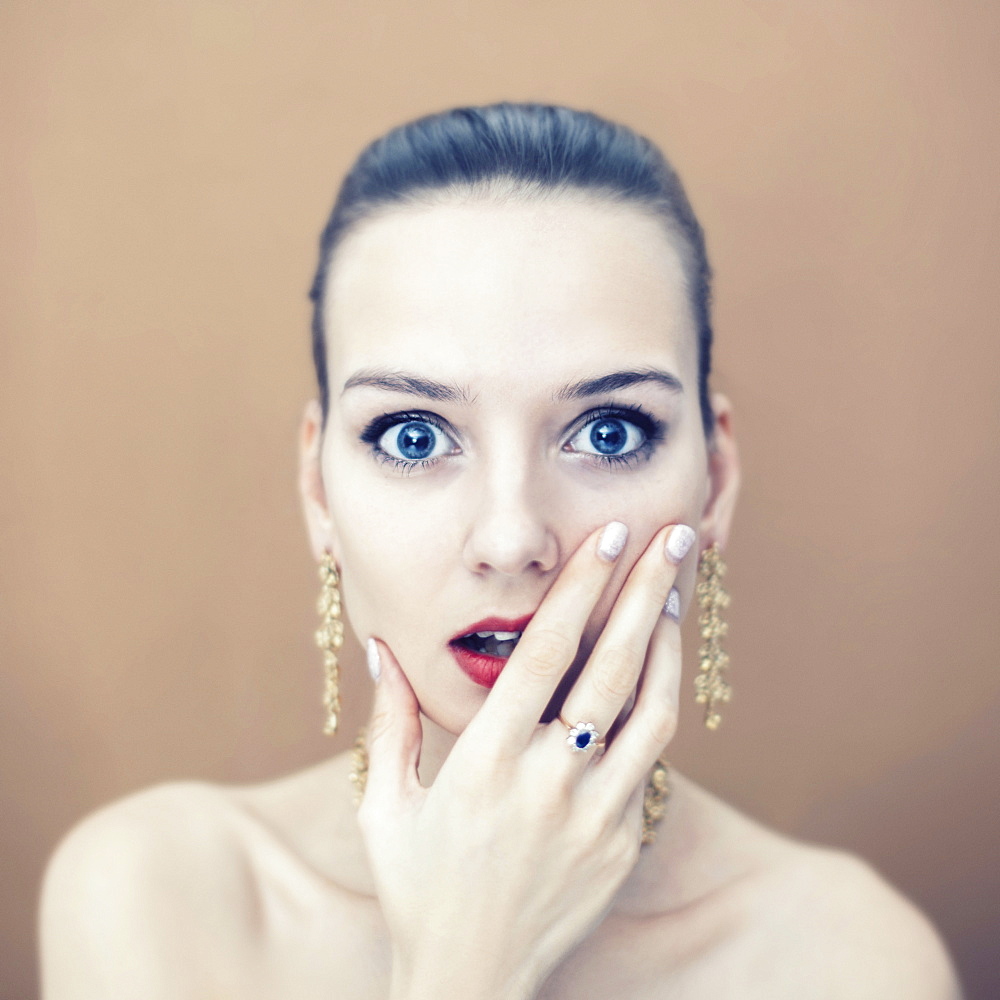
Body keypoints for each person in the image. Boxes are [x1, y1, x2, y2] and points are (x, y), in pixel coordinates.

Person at [39, 102, 962, 999]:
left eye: (607, 433)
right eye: (412, 435)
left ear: (713, 481)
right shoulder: (162, 897)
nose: (513, 539)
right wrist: (466, 962)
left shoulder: (845, 959)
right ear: (319, 488)